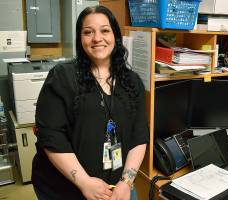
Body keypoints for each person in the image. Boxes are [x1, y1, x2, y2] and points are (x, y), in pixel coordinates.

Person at [31, 5, 149, 200]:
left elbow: (139, 134)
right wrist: (84, 182)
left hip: (118, 188)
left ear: (115, 36)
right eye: (88, 32)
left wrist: (126, 182)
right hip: (66, 190)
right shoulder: (63, 77)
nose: (97, 38)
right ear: (80, 38)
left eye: (104, 30)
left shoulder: (132, 81)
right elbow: (51, 136)